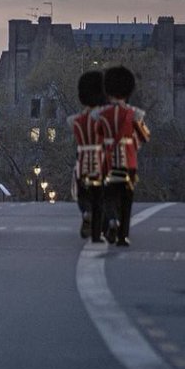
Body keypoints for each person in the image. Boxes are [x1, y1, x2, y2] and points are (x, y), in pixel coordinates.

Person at [99, 65, 150, 248]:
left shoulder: (101, 115)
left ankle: (112, 220)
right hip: (129, 160)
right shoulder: (135, 114)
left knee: (108, 195)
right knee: (126, 199)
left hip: (108, 161)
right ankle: (123, 236)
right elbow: (144, 136)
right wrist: (132, 145)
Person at [68, 70, 108, 243]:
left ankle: (85, 212)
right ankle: (97, 233)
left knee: (83, 194)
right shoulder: (104, 118)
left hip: (83, 158)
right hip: (100, 159)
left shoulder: (76, 120)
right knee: (99, 197)